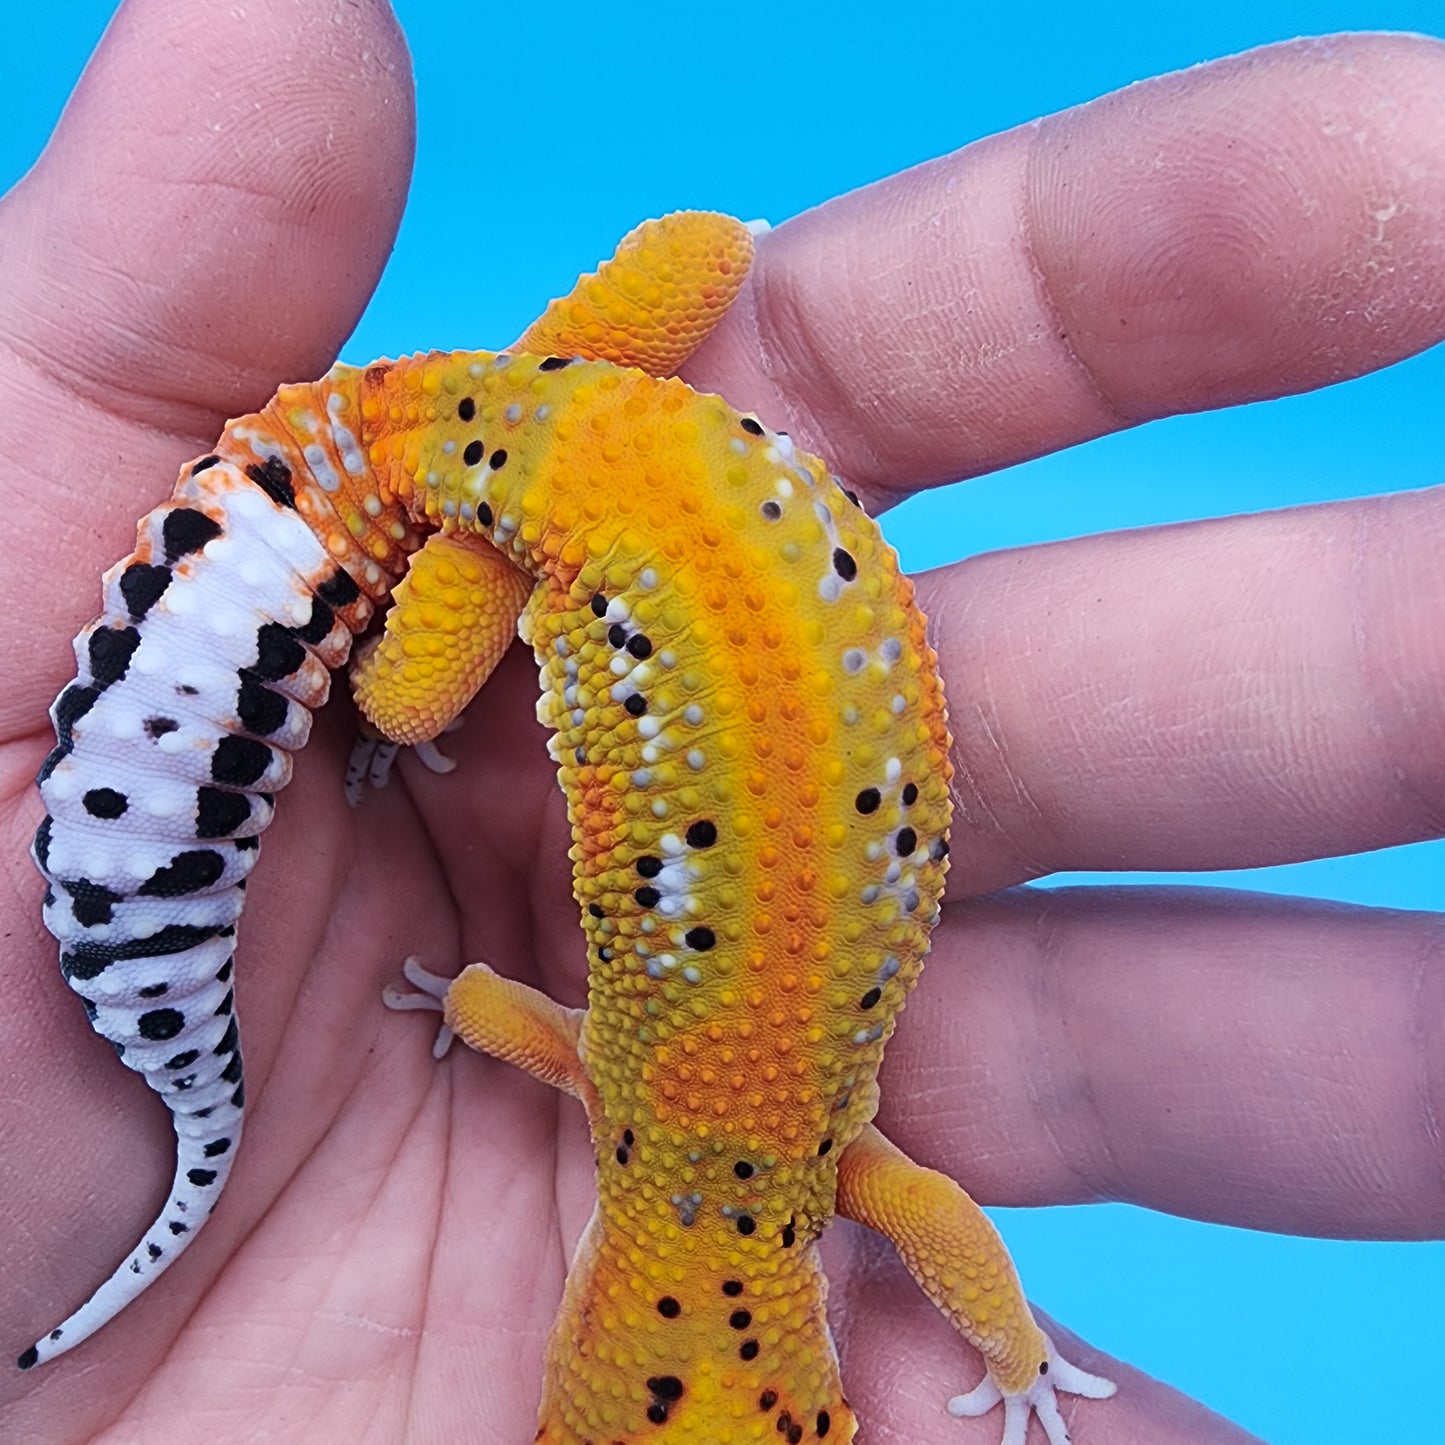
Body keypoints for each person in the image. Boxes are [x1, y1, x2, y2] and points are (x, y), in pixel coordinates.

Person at [2, 2, 1441, 1440]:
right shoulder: (634, 1113)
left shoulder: (826, 1171)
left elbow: (934, 1220)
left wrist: (1009, 1353)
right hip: (570, 477)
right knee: (399, 695)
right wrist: (442, 964)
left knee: (660, 311)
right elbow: (514, 1017)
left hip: (607, 461)